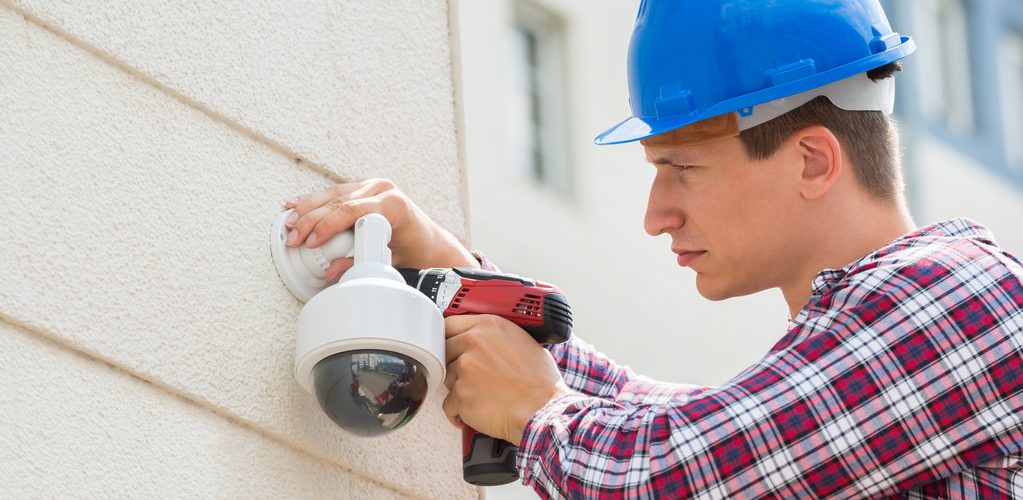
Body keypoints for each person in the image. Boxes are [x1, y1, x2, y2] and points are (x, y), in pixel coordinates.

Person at [282, 1, 1023, 497]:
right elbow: (688, 424)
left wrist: (538, 418)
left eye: (681, 170)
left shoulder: (961, 296)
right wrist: (460, 279)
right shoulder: (876, 342)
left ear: (811, 162)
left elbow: (677, 472)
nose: (656, 215)